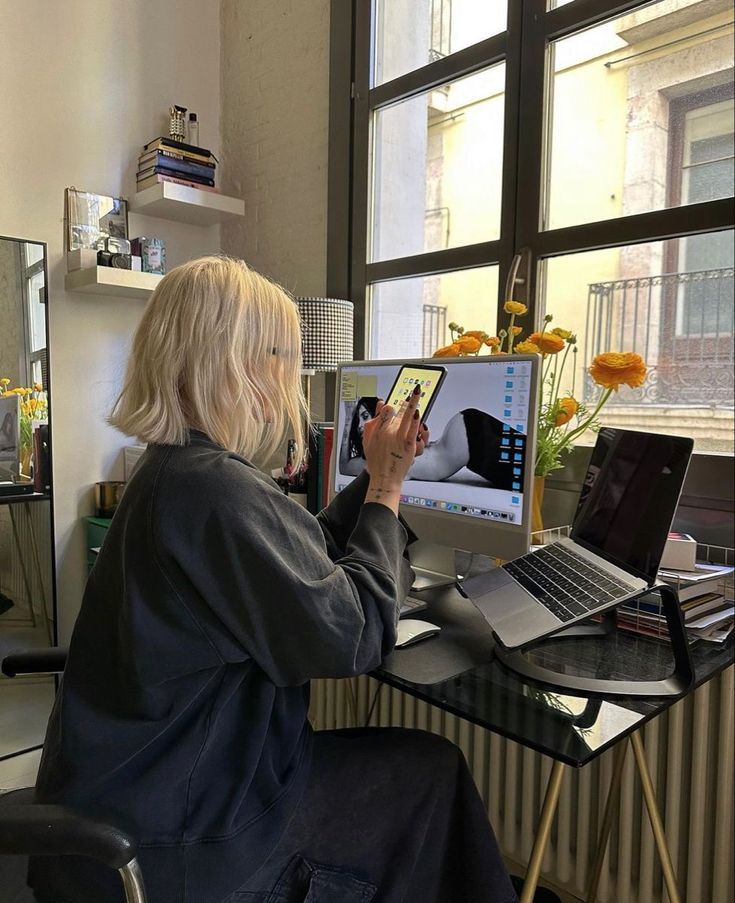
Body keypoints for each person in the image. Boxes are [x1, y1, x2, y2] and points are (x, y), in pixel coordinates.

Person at [29, 256, 517, 903]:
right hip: (189, 831)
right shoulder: (212, 487)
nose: (290, 379)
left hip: (134, 789)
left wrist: (374, 485)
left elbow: (296, 555)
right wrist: (387, 486)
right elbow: (358, 637)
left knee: (411, 770)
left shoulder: (176, 472)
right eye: (284, 357)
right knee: (430, 772)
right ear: (241, 364)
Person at [340, 396, 525, 490]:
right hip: (465, 436)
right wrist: (349, 418)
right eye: (358, 422)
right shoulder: (374, 460)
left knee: (529, 469)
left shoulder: (390, 450)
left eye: (365, 416)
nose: (362, 424)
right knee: (529, 465)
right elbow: (344, 466)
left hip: (466, 438)